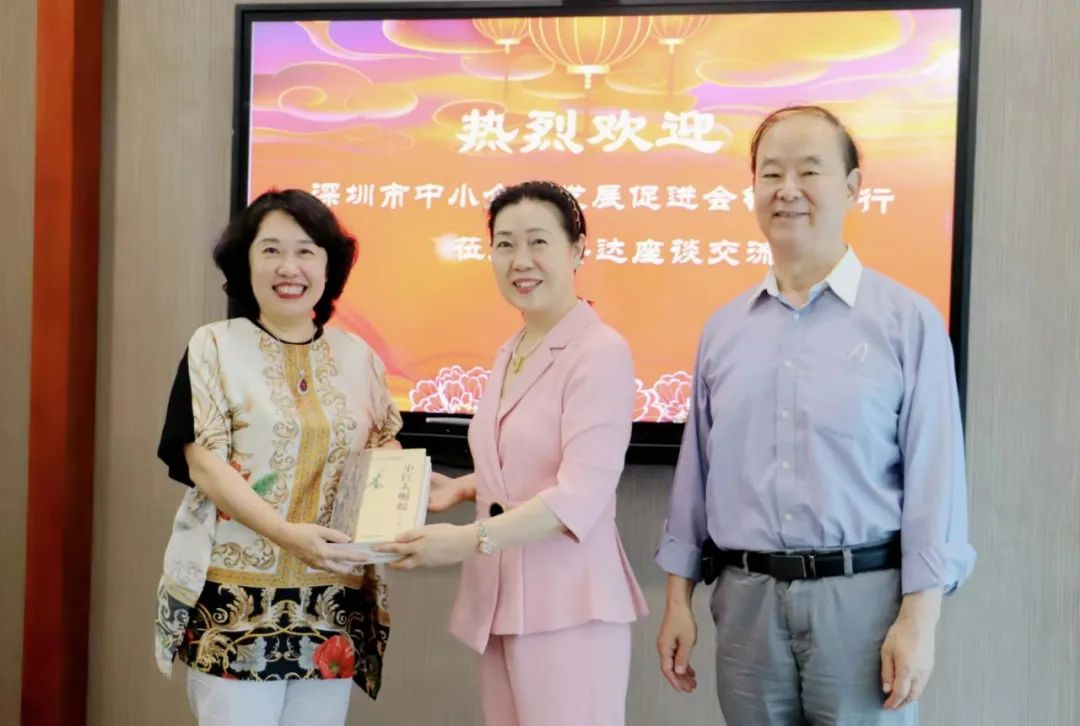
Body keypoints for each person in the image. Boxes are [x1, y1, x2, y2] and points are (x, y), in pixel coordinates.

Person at [654, 106, 976, 725]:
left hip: (863, 604)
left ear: (852, 188)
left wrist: (920, 617)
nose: (787, 189)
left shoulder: (907, 322)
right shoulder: (723, 330)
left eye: (809, 171)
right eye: (771, 173)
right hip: (745, 604)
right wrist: (677, 599)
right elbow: (696, 475)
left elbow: (936, 482)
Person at [376, 180, 648, 726]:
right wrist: (464, 487)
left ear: (577, 250)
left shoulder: (600, 351)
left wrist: (464, 540)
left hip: (568, 603)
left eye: (538, 242)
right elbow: (528, 459)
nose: (520, 260)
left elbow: (581, 493)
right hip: (503, 599)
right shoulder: (514, 348)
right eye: (504, 244)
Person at [155, 189, 402, 726]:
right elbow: (204, 463)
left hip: (330, 602)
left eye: (306, 250)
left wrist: (402, 508)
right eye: (270, 250)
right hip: (235, 605)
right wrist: (287, 535)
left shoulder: (359, 357)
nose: (289, 267)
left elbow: (384, 448)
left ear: (329, 266)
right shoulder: (213, 347)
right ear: (245, 263)